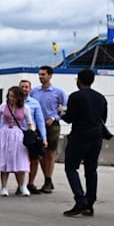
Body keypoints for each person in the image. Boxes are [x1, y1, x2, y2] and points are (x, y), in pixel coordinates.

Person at [60, 69, 107, 217]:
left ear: (79, 80)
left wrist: (62, 112)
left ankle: (80, 199)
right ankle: (90, 203)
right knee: (91, 170)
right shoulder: (100, 98)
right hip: (96, 136)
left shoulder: (75, 96)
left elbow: (70, 118)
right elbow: (103, 119)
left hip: (79, 136)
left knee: (71, 167)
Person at [29, 65, 67, 193]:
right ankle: (47, 179)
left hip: (51, 126)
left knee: (50, 152)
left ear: (50, 75)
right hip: (37, 126)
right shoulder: (34, 92)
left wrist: (55, 117)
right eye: (39, 74)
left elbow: (65, 109)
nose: (40, 77)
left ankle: (48, 179)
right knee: (40, 153)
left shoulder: (58, 92)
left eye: (43, 74)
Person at [0, 86, 35, 197]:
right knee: (4, 160)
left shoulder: (25, 108)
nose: (11, 98)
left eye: (14, 96)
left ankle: (22, 186)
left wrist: (31, 134)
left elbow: (30, 123)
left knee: (20, 159)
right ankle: (4, 187)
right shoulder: (3, 106)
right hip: (5, 132)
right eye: (10, 96)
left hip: (18, 133)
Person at [19, 79, 48, 194]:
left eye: (26, 87)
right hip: (18, 134)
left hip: (31, 134)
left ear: (30, 89)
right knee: (20, 161)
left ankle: (30, 183)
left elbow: (40, 121)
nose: (24, 89)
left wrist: (44, 138)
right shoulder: (14, 102)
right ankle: (21, 184)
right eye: (22, 87)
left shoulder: (35, 103)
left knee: (34, 160)